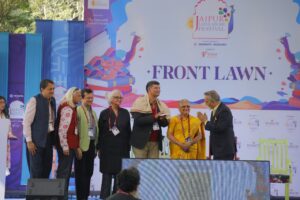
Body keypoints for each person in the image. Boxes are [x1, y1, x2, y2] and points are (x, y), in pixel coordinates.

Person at [98, 90, 131, 199]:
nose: (119, 100)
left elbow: (128, 131)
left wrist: (128, 148)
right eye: (116, 97)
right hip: (107, 150)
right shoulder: (104, 113)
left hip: (122, 150)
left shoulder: (125, 113)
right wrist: (98, 148)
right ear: (110, 99)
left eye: (120, 98)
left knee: (119, 179)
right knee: (106, 178)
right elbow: (100, 133)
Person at [23, 79, 56, 178]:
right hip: (35, 142)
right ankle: (35, 194)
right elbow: (26, 122)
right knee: (36, 172)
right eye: (50, 89)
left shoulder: (53, 100)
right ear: (42, 89)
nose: (52, 91)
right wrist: (29, 141)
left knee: (47, 169)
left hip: (48, 140)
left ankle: (43, 193)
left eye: (53, 89)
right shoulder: (34, 100)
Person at [130, 80, 170, 158]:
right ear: (149, 89)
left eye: (159, 88)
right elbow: (138, 121)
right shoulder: (140, 102)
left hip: (155, 142)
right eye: (155, 88)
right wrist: (154, 117)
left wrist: (162, 119)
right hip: (141, 143)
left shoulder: (161, 105)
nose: (158, 90)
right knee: (140, 168)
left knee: (152, 169)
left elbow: (165, 124)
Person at [56, 87, 82, 200]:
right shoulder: (67, 108)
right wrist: (64, 146)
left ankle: (62, 197)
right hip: (66, 145)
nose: (80, 97)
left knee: (65, 173)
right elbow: (62, 130)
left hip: (70, 145)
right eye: (78, 95)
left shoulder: (72, 107)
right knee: (63, 173)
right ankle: (61, 197)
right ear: (72, 95)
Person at [75, 88, 99, 200]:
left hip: (91, 145)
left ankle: (85, 196)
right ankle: (81, 197)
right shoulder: (78, 110)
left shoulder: (93, 112)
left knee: (89, 172)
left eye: (92, 98)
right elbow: (75, 131)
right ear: (82, 98)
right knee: (81, 174)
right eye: (88, 98)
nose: (90, 100)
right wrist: (77, 147)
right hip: (81, 146)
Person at [197, 90, 235, 160]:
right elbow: (214, 127)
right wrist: (205, 122)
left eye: (206, 101)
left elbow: (219, 128)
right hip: (218, 150)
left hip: (224, 150)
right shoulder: (215, 111)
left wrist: (205, 121)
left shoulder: (224, 110)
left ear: (213, 101)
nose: (205, 104)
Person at [0, 96, 18, 176]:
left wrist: (10, 134)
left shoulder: (5, 115)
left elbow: (9, 128)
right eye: (0, 102)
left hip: (4, 143)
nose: (2, 104)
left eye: (3, 102)